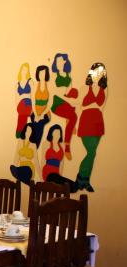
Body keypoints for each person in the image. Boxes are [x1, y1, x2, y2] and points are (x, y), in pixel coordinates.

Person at [75, 62, 108, 192]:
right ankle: (81, 178)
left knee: (92, 154)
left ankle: (85, 180)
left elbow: (101, 108)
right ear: (91, 73)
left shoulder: (104, 89)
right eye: (96, 71)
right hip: (86, 124)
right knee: (91, 152)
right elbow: (80, 107)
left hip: (98, 124)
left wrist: (91, 106)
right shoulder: (84, 88)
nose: (98, 74)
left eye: (101, 72)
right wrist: (93, 105)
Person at [50, 53, 78, 160]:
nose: (57, 63)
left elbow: (68, 92)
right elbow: (55, 93)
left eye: (60, 61)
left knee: (75, 92)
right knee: (73, 116)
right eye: (56, 61)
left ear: (64, 62)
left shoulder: (68, 76)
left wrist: (71, 99)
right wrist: (69, 100)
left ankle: (70, 122)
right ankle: (67, 145)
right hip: (56, 104)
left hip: (66, 103)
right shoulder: (54, 76)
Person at [41, 124, 75, 190]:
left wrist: (60, 175)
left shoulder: (62, 145)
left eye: (59, 133)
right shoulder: (46, 144)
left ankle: (73, 186)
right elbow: (43, 161)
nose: (57, 135)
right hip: (47, 174)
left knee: (68, 185)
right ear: (52, 134)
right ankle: (72, 186)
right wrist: (42, 178)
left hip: (57, 174)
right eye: (55, 133)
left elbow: (61, 163)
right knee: (66, 184)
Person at [15, 63, 33, 138]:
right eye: (23, 70)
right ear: (21, 70)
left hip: (29, 104)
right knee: (22, 117)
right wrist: (25, 95)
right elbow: (17, 99)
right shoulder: (17, 85)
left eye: (26, 70)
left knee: (24, 119)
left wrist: (22, 96)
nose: (24, 71)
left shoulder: (30, 81)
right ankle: (20, 133)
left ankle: (20, 132)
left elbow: (32, 95)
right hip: (21, 106)